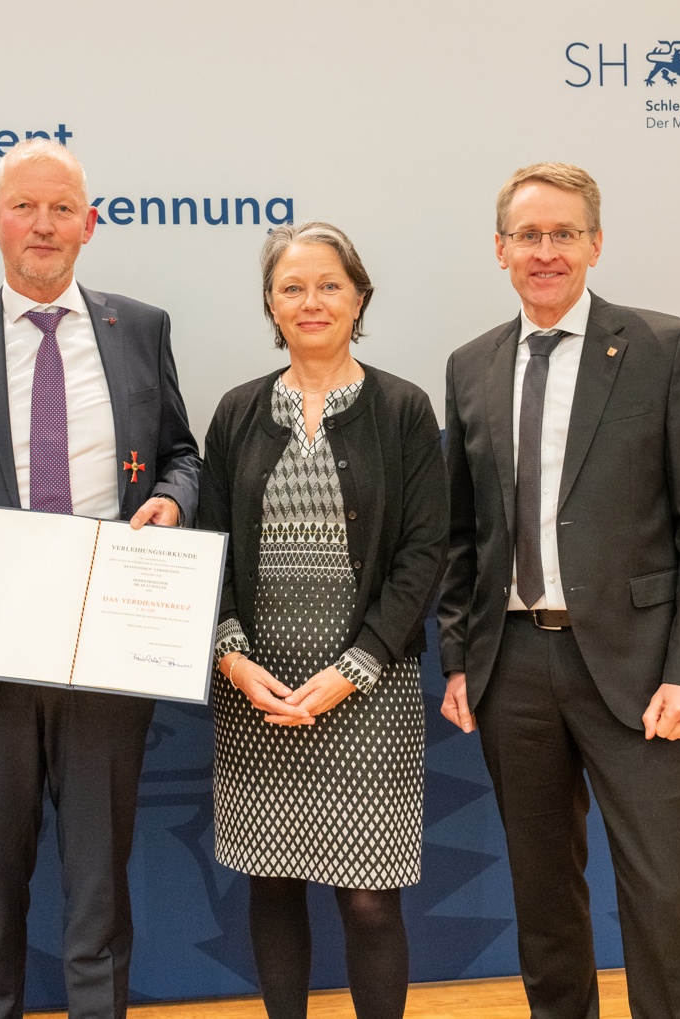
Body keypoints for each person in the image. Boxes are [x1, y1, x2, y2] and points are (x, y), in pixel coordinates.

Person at [0, 138, 200, 1019]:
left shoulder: (139, 328)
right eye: (24, 207)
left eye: (62, 208)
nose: (43, 224)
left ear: (89, 225)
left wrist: (173, 503)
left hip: (111, 647)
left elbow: (181, 454)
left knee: (99, 893)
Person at [437, 162, 680, 1018]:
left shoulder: (665, 347)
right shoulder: (469, 366)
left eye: (563, 233)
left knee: (661, 896)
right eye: (528, 235)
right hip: (511, 672)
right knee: (542, 899)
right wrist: (460, 657)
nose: (545, 251)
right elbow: (464, 538)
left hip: (642, 673)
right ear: (499, 250)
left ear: (595, 244)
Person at [197, 222, 447, 1019]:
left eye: (329, 285)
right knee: (272, 881)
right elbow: (209, 552)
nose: (311, 301)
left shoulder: (402, 408)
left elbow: (422, 552)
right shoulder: (237, 412)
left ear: (359, 296)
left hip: (367, 689)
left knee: (370, 900)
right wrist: (233, 659)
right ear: (270, 305)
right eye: (292, 287)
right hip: (256, 692)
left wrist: (352, 670)